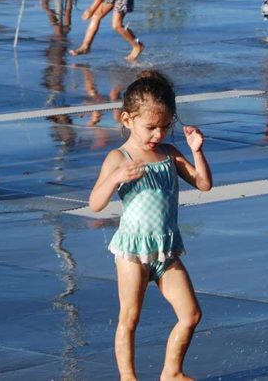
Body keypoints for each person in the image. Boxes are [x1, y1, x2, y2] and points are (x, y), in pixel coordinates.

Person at [88, 71, 213, 381]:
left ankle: (172, 373)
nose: (158, 134)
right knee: (129, 318)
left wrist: (197, 150)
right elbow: (95, 203)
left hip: (166, 250)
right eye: (151, 127)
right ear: (126, 119)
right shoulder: (120, 157)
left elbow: (204, 183)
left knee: (191, 315)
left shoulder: (169, 155)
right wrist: (116, 178)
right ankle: (127, 378)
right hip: (132, 252)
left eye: (164, 127)